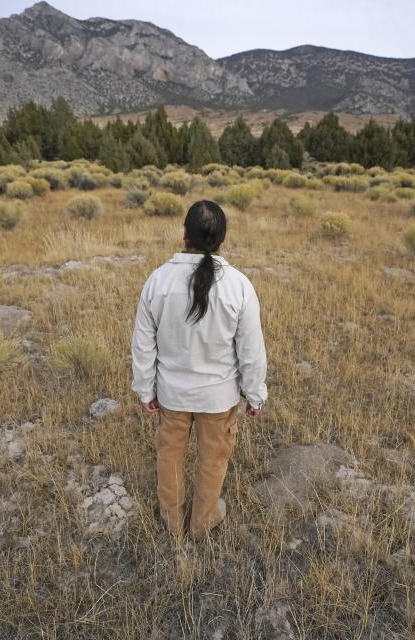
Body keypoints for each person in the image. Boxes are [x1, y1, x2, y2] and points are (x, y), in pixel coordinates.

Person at [131, 200, 268, 539]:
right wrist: (255, 394)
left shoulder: (157, 281)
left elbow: (143, 344)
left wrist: (145, 389)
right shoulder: (239, 285)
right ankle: (203, 521)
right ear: (223, 237)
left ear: (184, 234)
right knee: (212, 461)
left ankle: (172, 520)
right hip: (218, 398)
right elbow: (251, 351)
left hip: (171, 395)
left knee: (170, 457)